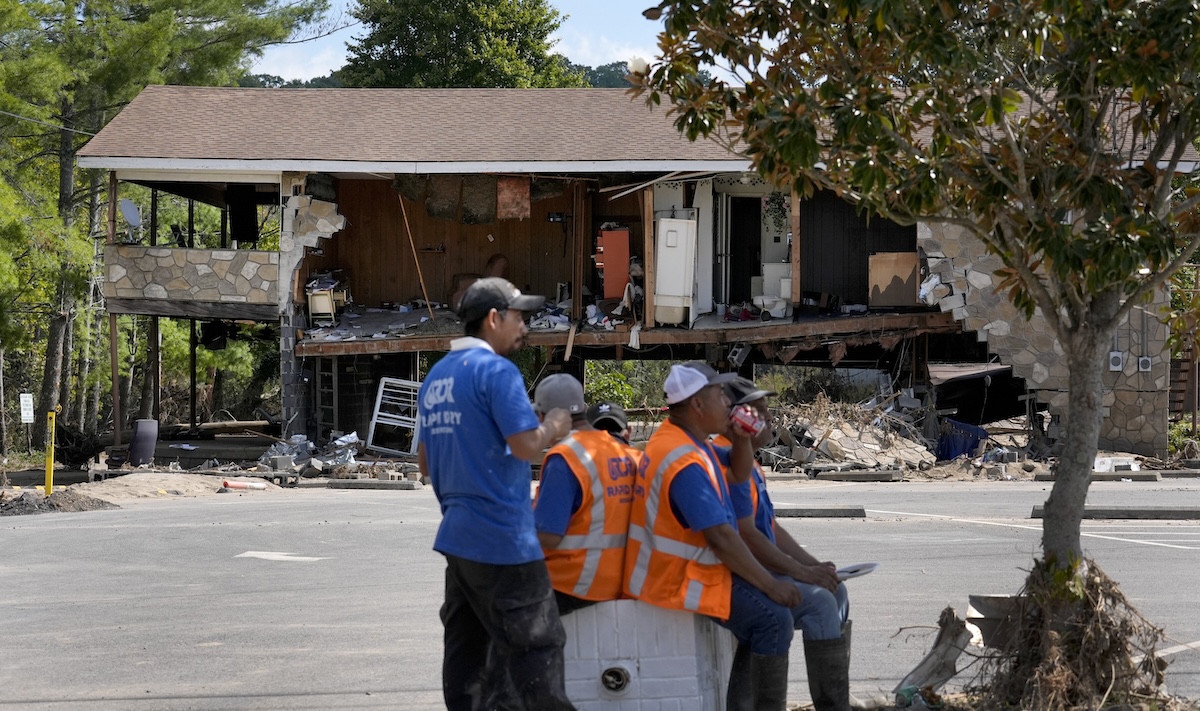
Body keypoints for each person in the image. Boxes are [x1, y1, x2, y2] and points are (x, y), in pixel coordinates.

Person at [417, 276, 576, 711]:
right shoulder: (497, 372)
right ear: (493, 319)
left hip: (458, 540)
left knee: (469, 654)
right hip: (504, 540)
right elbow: (527, 444)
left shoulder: (437, 377)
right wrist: (555, 426)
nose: (524, 326)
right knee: (537, 647)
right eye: (519, 317)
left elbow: (425, 464)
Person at [623, 361, 802, 711]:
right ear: (698, 405)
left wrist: (740, 436)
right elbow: (722, 537)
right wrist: (770, 584)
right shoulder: (684, 459)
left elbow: (738, 470)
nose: (728, 403)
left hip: (688, 569)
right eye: (720, 396)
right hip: (678, 578)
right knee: (773, 618)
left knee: (771, 611)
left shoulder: (688, 440)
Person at [718, 376, 852, 711]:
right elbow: (748, 535)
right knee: (820, 602)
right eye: (758, 411)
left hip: (756, 571)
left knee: (836, 589)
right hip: (738, 576)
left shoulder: (750, 463)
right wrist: (804, 574)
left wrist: (813, 565)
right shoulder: (729, 460)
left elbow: (771, 528)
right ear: (738, 418)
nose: (769, 419)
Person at [532, 376, 640, 616]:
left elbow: (547, 536)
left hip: (574, 584)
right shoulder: (628, 454)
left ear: (547, 417)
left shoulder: (566, 457)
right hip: (624, 580)